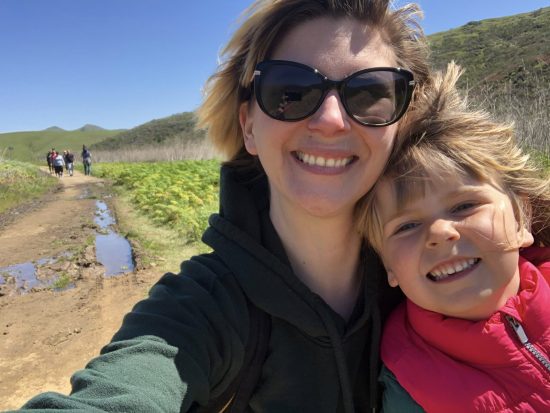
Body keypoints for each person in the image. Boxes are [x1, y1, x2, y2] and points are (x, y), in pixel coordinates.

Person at [15, 1, 432, 412]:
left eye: (369, 92)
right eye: (291, 91)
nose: (330, 119)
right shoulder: (199, 311)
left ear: (401, 122)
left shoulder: (437, 274)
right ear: (249, 126)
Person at [358, 63, 550, 412]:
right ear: (388, 266)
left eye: (464, 205)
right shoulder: (410, 388)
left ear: (522, 217)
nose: (440, 232)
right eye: (406, 226)